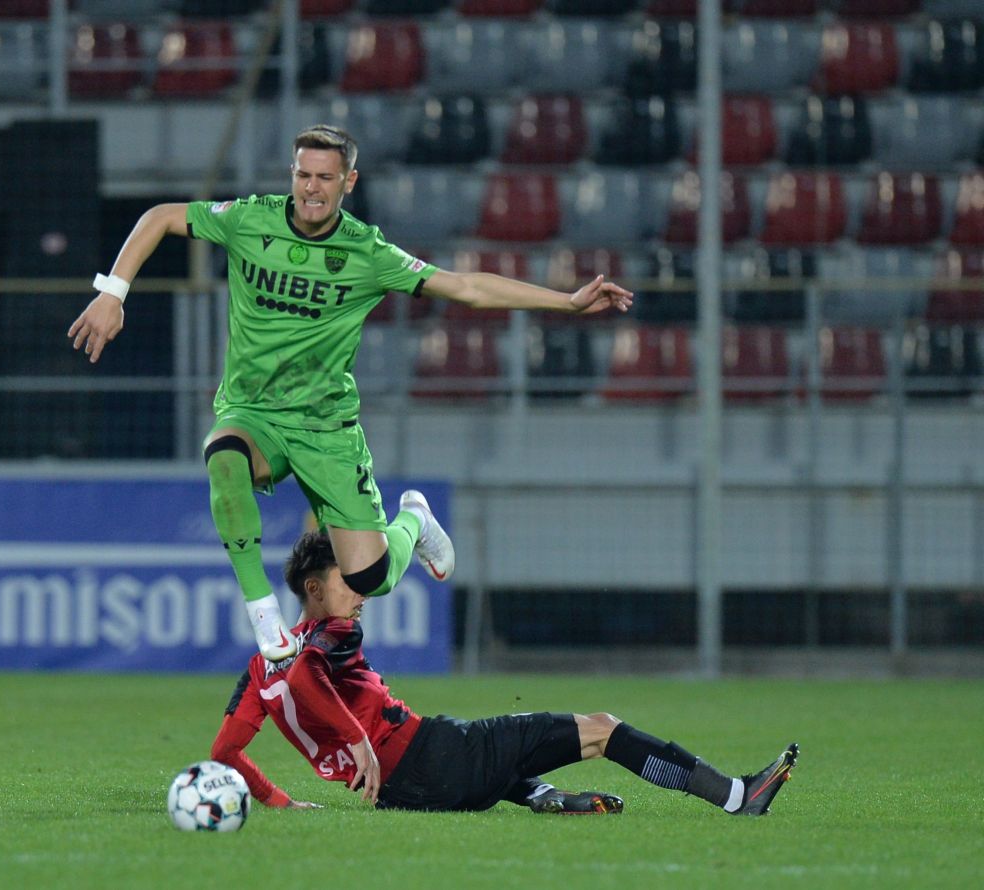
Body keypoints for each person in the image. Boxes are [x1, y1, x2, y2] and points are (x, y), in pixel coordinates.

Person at [68, 124, 634, 662]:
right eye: (303, 175)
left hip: (326, 430)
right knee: (224, 454)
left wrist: (565, 302)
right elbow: (160, 217)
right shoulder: (248, 219)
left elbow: (466, 287)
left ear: (349, 182)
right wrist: (113, 292)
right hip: (253, 412)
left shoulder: (368, 253)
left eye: (325, 177)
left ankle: (414, 521)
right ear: (292, 175)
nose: (311, 188)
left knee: (369, 577)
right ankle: (263, 613)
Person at [210, 530, 800, 816]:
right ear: (313, 589)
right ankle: (737, 796)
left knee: (493, 745)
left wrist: (280, 802)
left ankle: (542, 795)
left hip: (402, 793)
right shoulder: (334, 633)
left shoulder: (259, 669)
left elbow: (225, 754)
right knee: (601, 728)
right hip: (431, 759)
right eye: (348, 581)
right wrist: (359, 739)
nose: (362, 591)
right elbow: (309, 676)